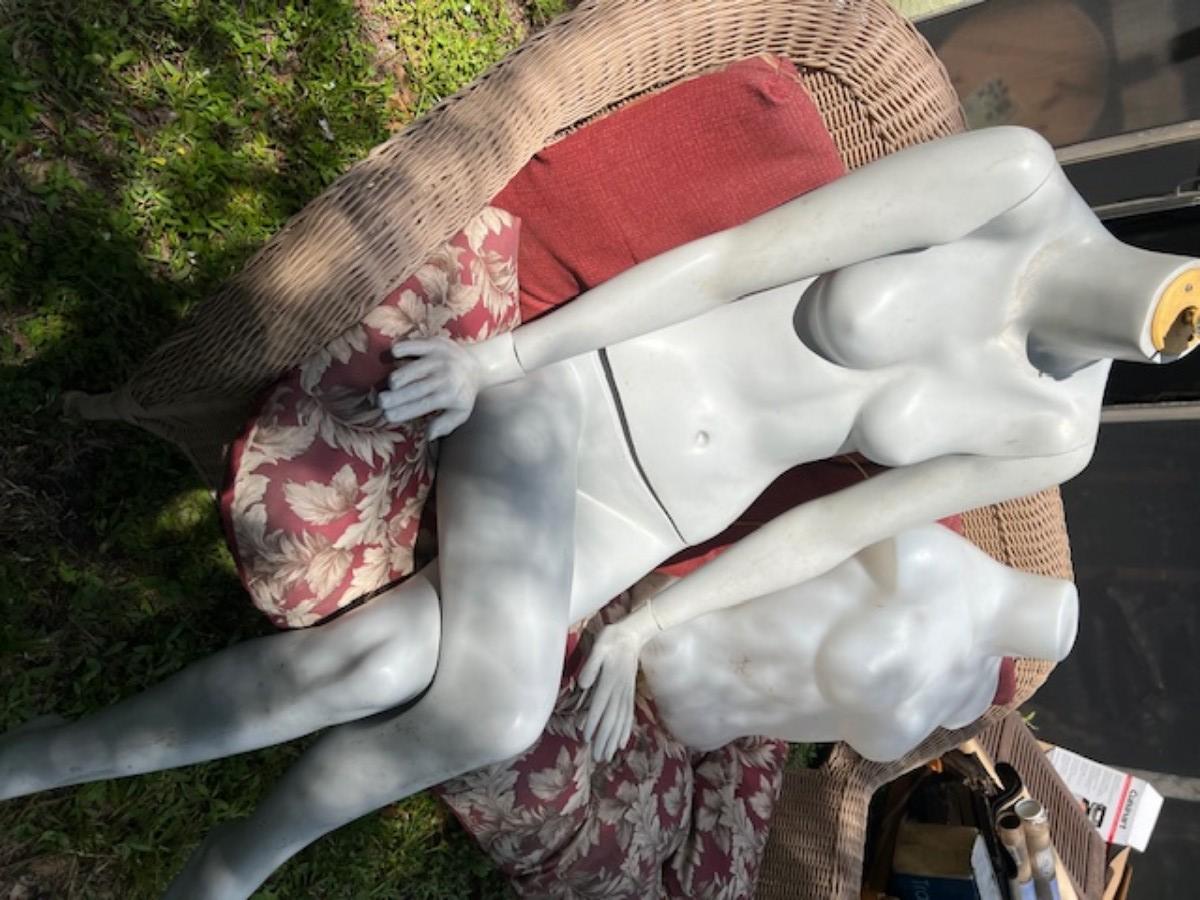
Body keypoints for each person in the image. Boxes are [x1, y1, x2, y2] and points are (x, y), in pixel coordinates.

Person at [1, 127, 1196, 899]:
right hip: (579, 393)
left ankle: (57, 760)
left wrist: (650, 622)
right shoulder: (1013, 181)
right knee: (495, 706)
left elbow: (832, 531)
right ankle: (225, 867)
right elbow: (733, 258)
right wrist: (503, 358)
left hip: (646, 523)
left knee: (385, 662)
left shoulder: (1059, 431)